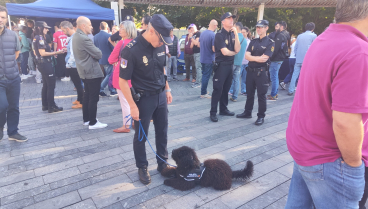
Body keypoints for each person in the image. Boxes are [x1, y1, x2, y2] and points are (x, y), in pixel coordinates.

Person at [285, 1, 368, 208]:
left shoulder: (324, 39)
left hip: (306, 147)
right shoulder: (358, 51)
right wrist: (354, 166)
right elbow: (345, 123)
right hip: (330, 159)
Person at [119, 14, 173, 185]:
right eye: (161, 39)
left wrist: (167, 88)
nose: (163, 43)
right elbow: (122, 81)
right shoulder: (131, 49)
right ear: (152, 31)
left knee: (162, 130)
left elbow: (162, 69)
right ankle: (142, 166)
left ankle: (162, 163)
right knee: (141, 135)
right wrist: (132, 106)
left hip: (160, 96)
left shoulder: (160, 45)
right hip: (143, 99)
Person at [236, 20, 275, 126]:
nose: (258, 29)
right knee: (249, 94)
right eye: (257, 27)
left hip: (261, 73)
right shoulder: (253, 41)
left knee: (261, 95)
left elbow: (264, 59)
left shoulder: (270, 42)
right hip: (251, 72)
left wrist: (252, 58)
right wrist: (256, 58)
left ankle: (261, 116)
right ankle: (247, 112)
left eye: (261, 27)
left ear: (266, 28)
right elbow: (246, 56)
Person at [73, 16, 107, 130]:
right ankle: (93, 122)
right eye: (90, 25)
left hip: (84, 71)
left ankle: (87, 120)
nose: (92, 27)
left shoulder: (76, 36)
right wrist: (94, 54)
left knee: (87, 96)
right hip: (91, 71)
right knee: (93, 97)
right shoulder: (84, 38)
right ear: (83, 26)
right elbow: (98, 54)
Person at [0, 6, 27, 142]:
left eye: (3, 17)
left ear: (6, 19)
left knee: (14, 107)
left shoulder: (12, 35)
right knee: (2, 106)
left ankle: (13, 132)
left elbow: (17, 52)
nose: (0, 20)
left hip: (13, 77)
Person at [209, 12, 240, 122]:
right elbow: (225, 52)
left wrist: (236, 34)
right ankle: (213, 112)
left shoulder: (232, 34)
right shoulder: (219, 35)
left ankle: (223, 109)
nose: (231, 20)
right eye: (229, 18)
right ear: (223, 22)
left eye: (232, 18)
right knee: (218, 89)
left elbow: (238, 49)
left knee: (226, 89)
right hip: (221, 66)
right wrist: (234, 52)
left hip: (230, 65)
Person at [108, 20, 137, 133]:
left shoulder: (122, 43)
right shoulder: (136, 42)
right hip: (134, 74)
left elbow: (111, 60)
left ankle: (126, 125)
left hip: (121, 74)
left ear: (128, 30)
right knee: (134, 99)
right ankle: (134, 121)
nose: (119, 30)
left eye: (122, 28)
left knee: (124, 101)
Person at [33, 21, 65, 113]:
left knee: (46, 85)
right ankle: (51, 106)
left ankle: (46, 105)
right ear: (39, 28)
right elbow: (42, 53)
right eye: (45, 28)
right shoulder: (40, 38)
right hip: (45, 63)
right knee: (51, 85)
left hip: (42, 63)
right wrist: (56, 52)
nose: (47, 29)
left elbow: (36, 53)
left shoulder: (37, 37)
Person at [287, 22, 317, 96]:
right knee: (307, 75)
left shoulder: (300, 36)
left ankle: (291, 90)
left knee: (295, 74)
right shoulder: (314, 36)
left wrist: (297, 55)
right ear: (313, 28)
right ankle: (305, 90)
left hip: (298, 59)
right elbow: (315, 48)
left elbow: (296, 48)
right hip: (308, 59)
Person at [60, 21, 83, 109]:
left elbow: (74, 54)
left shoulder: (73, 38)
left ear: (67, 29)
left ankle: (81, 101)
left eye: (63, 30)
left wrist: (68, 64)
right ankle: (79, 99)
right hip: (74, 64)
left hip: (73, 65)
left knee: (78, 84)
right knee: (77, 84)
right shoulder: (73, 37)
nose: (63, 32)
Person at [268, 21, 289, 100]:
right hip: (280, 58)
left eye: (277, 26)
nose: (276, 28)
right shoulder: (285, 34)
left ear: (281, 27)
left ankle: (273, 94)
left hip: (276, 59)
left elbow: (275, 49)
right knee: (275, 76)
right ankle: (274, 93)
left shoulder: (280, 35)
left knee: (274, 77)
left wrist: (270, 57)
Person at [94, 21, 116, 97]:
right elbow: (113, 48)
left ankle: (111, 89)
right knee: (110, 74)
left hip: (100, 58)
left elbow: (95, 47)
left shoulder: (95, 36)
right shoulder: (109, 36)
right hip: (109, 58)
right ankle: (101, 88)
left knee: (108, 74)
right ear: (107, 28)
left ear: (100, 27)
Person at [228, 22, 248, 102]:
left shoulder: (234, 37)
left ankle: (226, 94)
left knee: (229, 79)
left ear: (236, 28)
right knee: (236, 80)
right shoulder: (244, 39)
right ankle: (235, 96)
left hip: (232, 61)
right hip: (239, 62)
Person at [199, 19, 218, 99]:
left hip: (202, 58)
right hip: (209, 59)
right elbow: (214, 49)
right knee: (206, 76)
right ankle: (203, 93)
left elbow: (199, 45)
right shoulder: (213, 35)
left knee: (204, 75)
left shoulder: (202, 33)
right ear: (214, 26)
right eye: (216, 25)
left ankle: (204, 91)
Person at [239, 26, 251, 96]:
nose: (243, 33)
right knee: (236, 78)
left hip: (247, 63)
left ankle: (243, 90)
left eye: (244, 32)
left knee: (245, 78)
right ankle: (231, 90)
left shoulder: (250, 42)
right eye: (242, 32)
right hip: (240, 62)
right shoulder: (239, 40)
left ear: (247, 32)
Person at [191, 24, 201, 88]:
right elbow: (191, 46)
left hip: (198, 53)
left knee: (198, 68)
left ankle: (198, 83)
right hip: (194, 53)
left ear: (195, 27)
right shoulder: (193, 35)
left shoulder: (198, 33)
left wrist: (191, 38)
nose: (191, 30)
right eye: (190, 29)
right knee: (196, 67)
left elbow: (196, 43)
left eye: (192, 28)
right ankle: (197, 81)